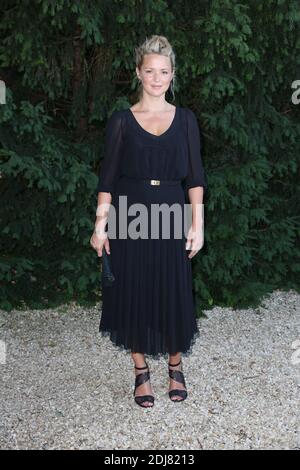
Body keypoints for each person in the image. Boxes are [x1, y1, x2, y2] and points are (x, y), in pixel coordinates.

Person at [90, 35, 208, 408]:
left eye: (164, 72)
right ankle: (140, 371)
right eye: (150, 71)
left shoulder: (186, 119)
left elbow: (197, 177)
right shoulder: (123, 120)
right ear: (139, 73)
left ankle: (176, 364)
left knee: (172, 287)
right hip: (130, 211)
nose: (157, 78)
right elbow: (107, 178)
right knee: (132, 289)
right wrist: (100, 225)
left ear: (172, 75)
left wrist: (197, 224)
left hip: (173, 211)